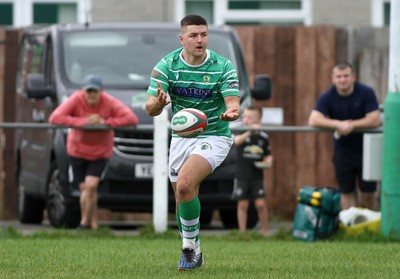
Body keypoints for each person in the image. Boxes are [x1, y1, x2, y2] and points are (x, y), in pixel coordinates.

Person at [145, 15, 240, 271]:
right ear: (182, 38)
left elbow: (233, 104)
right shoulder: (167, 65)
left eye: (204, 35)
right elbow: (150, 108)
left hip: (214, 135)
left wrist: (232, 112)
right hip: (182, 137)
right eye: (194, 35)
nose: (200, 40)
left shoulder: (223, 66)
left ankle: (188, 250)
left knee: (185, 184)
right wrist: (158, 103)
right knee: (182, 196)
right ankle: (195, 250)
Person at [49, 74, 139, 230]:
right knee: (86, 189)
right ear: (83, 91)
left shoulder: (109, 101)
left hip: (100, 152)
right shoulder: (76, 99)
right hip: (77, 151)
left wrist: (106, 122)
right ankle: (94, 224)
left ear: (101, 92)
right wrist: (83, 122)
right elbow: (55, 118)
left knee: (91, 185)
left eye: (95, 92)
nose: (91, 95)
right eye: (88, 91)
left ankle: (84, 223)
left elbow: (131, 118)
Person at [308, 62, 381, 210]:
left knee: (368, 193)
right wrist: (338, 124)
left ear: (353, 77)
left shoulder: (366, 93)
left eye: (346, 76)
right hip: (343, 151)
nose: (342, 80)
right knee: (346, 192)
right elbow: (313, 119)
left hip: (367, 150)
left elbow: (374, 119)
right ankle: (350, 228)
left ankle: (369, 227)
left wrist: (352, 125)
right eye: (339, 76)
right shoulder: (328, 97)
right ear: (333, 79)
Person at [232, 106, 273, 237]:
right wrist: (249, 132)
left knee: (260, 204)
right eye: (245, 117)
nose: (246, 120)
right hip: (242, 175)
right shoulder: (240, 132)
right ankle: (242, 234)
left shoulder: (263, 136)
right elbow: (237, 142)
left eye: (250, 117)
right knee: (243, 204)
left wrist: (268, 162)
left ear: (258, 120)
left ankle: (265, 232)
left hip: (257, 175)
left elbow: (268, 153)